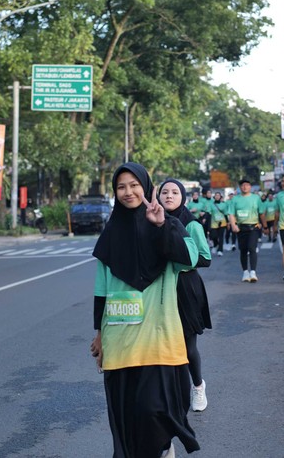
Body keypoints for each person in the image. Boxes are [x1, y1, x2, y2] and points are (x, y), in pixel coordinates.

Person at [90, 162, 200, 458]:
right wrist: (99, 335)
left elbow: (190, 259)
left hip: (159, 340)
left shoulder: (169, 224)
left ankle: (162, 446)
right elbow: (101, 290)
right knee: (127, 421)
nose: (128, 192)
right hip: (120, 342)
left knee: (153, 411)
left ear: (146, 187)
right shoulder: (111, 234)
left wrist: (162, 226)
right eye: (121, 187)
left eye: (134, 185)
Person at [159, 178, 212, 412]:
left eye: (174, 192)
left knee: (188, 346)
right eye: (164, 192)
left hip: (186, 287)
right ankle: (170, 393)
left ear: (183, 197)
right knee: (163, 344)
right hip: (160, 287)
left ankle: (198, 386)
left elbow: (205, 258)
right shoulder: (153, 221)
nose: (169, 196)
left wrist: (176, 260)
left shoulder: (191, 225)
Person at [228, 179, 267, 283]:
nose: (245, 187)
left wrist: (265, 226)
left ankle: (253, 272)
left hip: (253, 227)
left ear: (250, 187)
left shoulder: (256, 198)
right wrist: (233, 225)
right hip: (241, 228)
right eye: (243, 185)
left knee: (252, 248)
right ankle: (245, 272)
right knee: (243, 250)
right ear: (240, 187)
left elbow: (261, 213)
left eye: (247, 185)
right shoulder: (235, 199)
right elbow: (231, 214)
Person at [207, 191, 227, 256]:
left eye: (218, 195)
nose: (217, 197)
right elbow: (209, 213)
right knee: (214, 236)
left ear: (220, 197)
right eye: (216, 195)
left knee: (221, 237)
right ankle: (216, 244)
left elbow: (226, 214)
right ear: (214, 197)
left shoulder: (224, 204)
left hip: (222, 222)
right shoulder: (211, 205)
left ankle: (220, 250)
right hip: (214, 223)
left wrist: (228, 222)